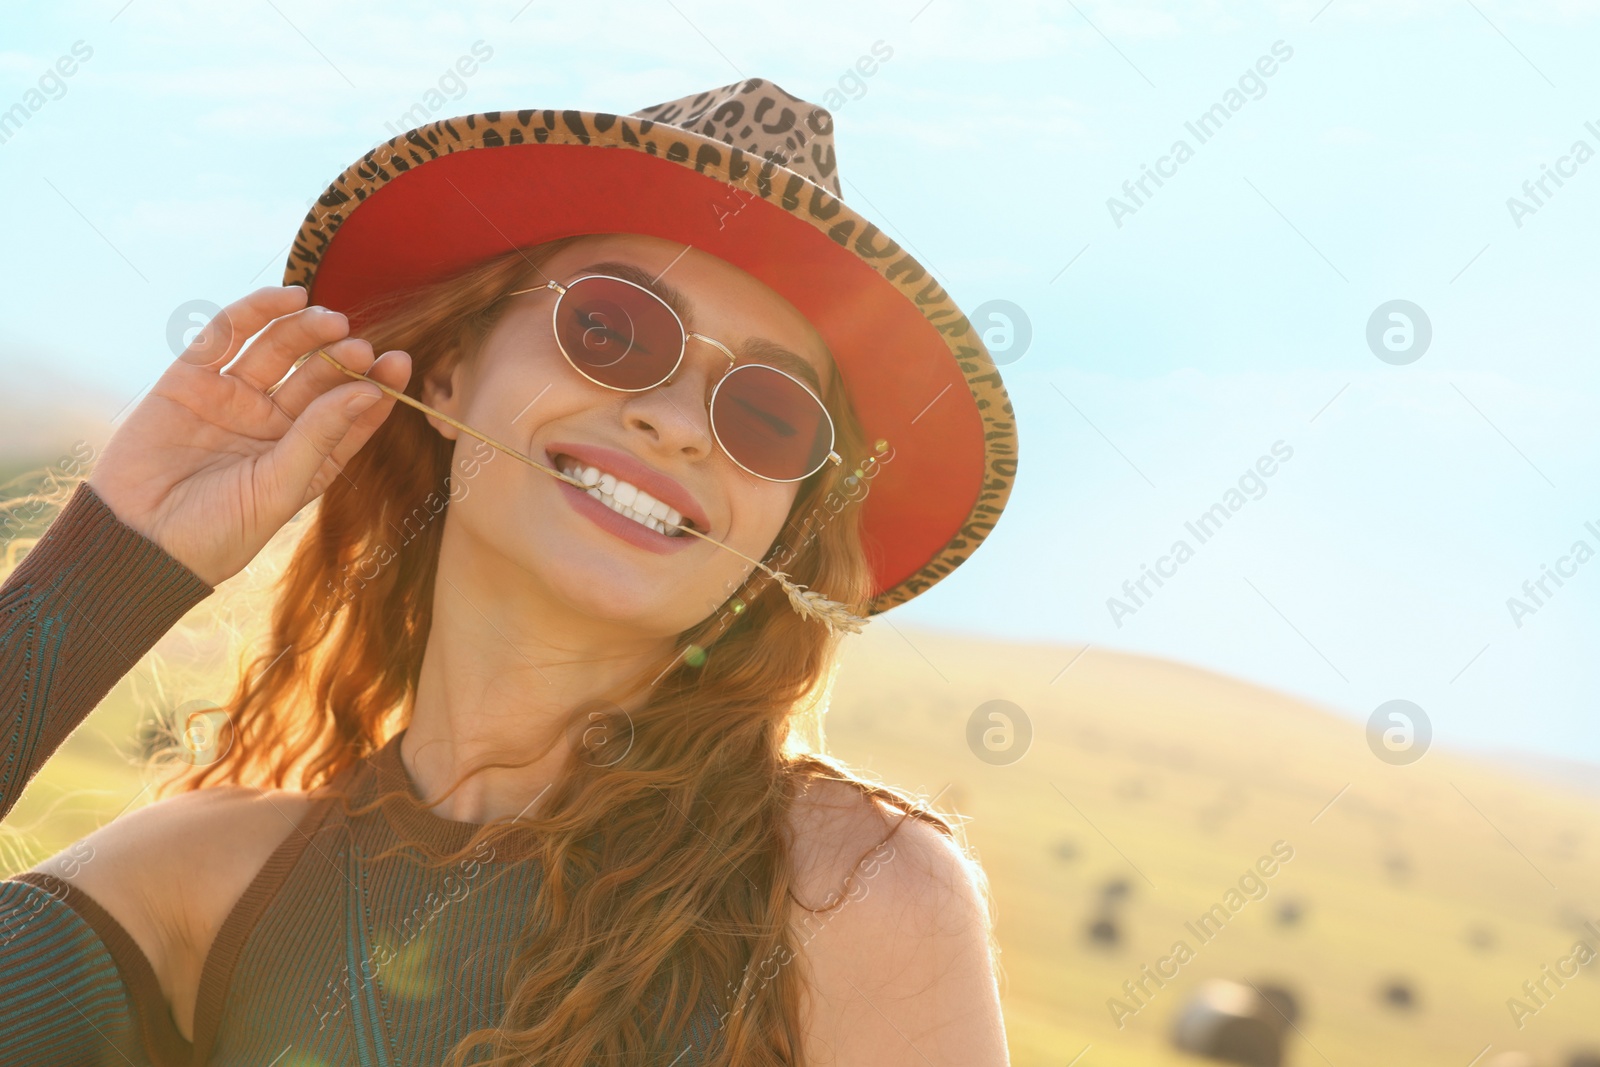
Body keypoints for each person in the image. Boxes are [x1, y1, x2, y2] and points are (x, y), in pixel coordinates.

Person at [0, 77, 1018, 1065]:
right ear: (452, 365)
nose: (672, 421)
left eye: (766, 415)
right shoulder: (205, 885)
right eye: (612, 330)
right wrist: (108, 563)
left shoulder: (849, 889)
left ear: (786, 525)